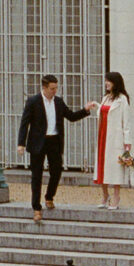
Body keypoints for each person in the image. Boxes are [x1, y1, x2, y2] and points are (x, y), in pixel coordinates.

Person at [17, 74, 88, 221]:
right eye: (52, 88)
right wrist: (21, 143)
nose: (54, 91)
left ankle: (49, 196)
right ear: (44, 88)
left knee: (57, 171)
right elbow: (25, 123)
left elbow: (71, 116)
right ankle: (36, 208)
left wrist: (85, 110)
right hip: (38, 142)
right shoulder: (33, 101)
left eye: (56, 88)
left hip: (54, 141)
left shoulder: (59, 102)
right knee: (36, 176)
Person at [90, 71, 133, 209]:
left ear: (116, 83)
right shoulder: (106, 98)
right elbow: (103, 112)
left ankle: (116, 196)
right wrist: (96, 105)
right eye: (106, 81)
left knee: (115, 167)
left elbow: (126, 122)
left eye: (109, 81)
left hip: (115, 138)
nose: (106, 83)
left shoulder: (122, 99)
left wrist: (127, 143)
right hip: (103, 136)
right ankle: (105, 195)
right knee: (102, 165)